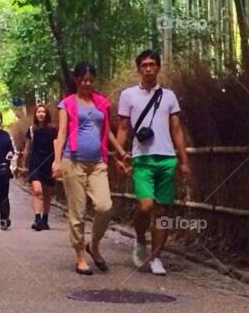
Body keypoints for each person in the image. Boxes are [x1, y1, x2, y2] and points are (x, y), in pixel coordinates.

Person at [117, 48, 191, 276]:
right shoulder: (128, 95)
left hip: (166, 158)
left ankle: (156, 256)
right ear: (139, 69)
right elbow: (122, 127)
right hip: (141, 158)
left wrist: (183, 160)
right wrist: (120, 155)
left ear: (158, 67)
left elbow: (176, 129)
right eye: (144, 65)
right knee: (145, 206)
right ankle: (140, 239)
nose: (148, 69)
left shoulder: (169, 96)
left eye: (152, 65)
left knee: (161, 211)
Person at [53, 62, 125, 275]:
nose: (87, 83)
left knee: (105, 206)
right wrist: (57, 160)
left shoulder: (102, 103)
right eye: (83, 80)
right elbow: (62, 133)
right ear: (76, 80)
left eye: (90, 80)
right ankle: (80, 256)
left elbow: (108, 133)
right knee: (78, 212)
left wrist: (121, 152)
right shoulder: (67, 104)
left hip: (98, 163)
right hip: (73, 161)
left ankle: (93, 245)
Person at [21, 103, 56, 231]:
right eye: (38, 112)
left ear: (47, 114)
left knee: (47, 193)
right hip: (35, 162)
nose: (41, 114)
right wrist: (24, 163)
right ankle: (37, 219)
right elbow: (27, 148)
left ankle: (45, 219)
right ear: (35, 115)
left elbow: (57, 146)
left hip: (49, 163)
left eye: (43, 112)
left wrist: (57, 162)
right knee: (37, 190)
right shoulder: (31, 130)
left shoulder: (53, 130)